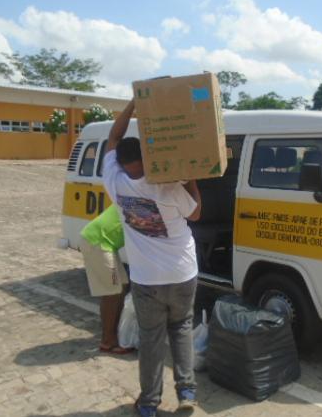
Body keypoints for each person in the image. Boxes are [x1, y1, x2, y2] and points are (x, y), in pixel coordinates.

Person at [102, 99, 201, 417]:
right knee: (182, 328)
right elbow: (197, 213)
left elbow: (113, 138)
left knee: (152, 338)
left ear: (119, 161)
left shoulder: (114, 182)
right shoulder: (169, 187)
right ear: (147, 158)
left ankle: (148, 403)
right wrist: (193, 179)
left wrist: (134, 103)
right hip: (183, 272)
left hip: (146, 279)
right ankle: (186, 391)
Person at [80, 204, 132, 355]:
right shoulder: (140, 203)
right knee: (112, 292)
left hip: (106, 244)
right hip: (97, 242)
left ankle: (113, 334)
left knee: (122, 287)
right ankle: (108, 341)